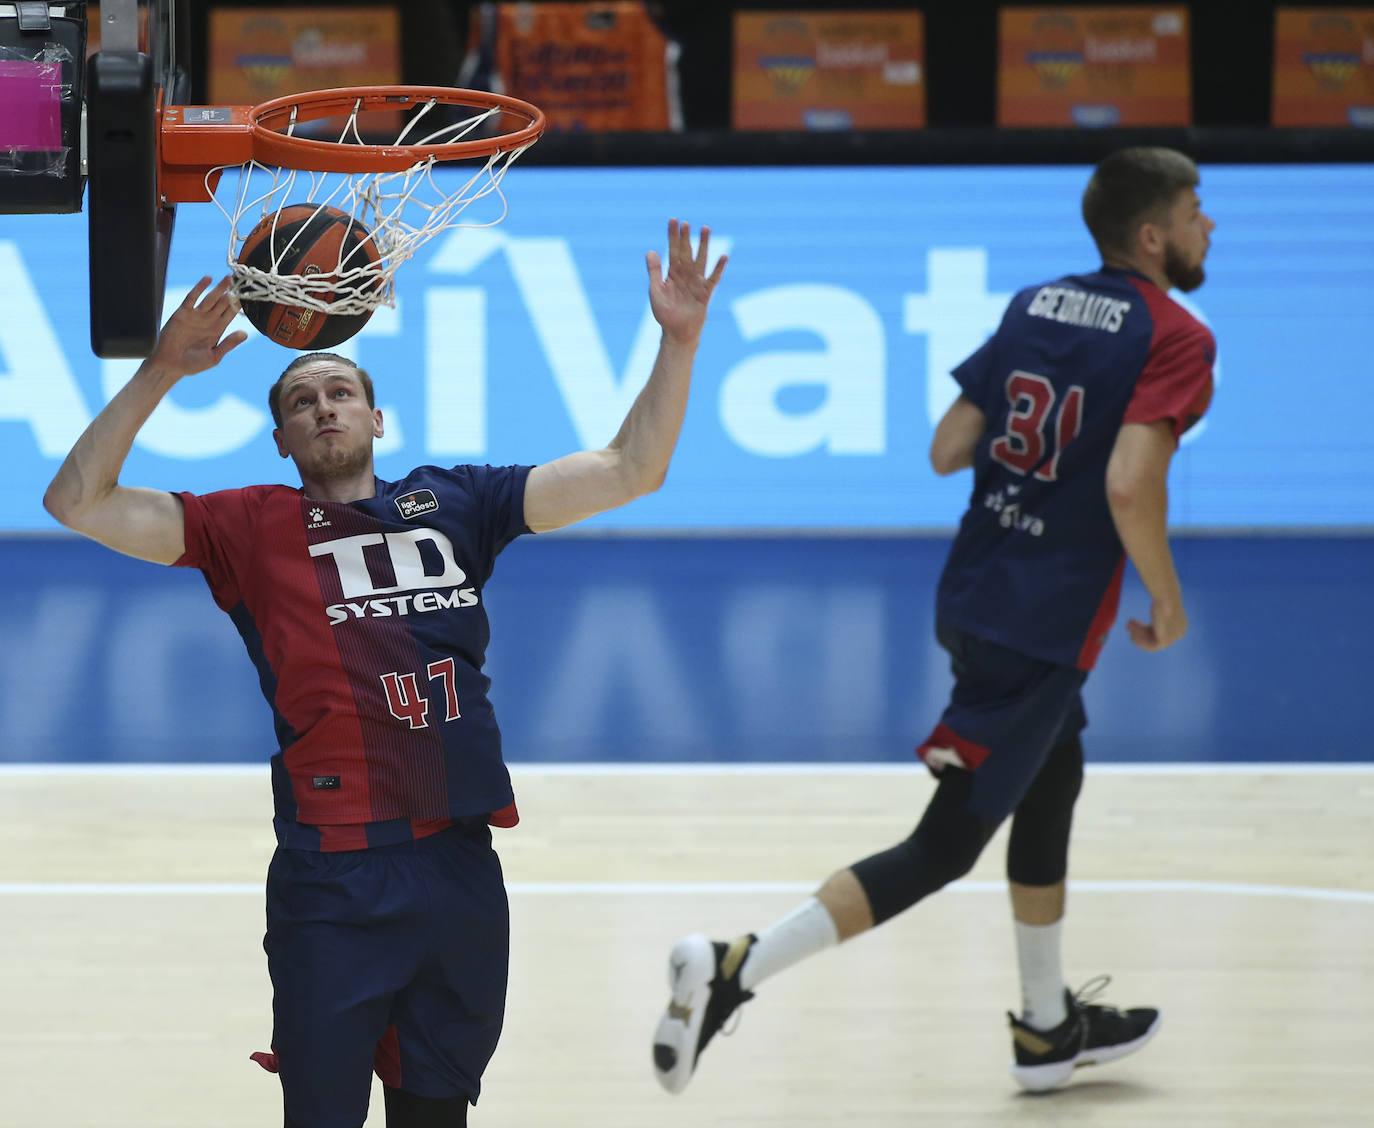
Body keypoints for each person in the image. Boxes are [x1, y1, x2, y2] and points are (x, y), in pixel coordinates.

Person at [44, 218, 725, 1128]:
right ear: (281, 439)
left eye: (340, 391)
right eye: (301, 401)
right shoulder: (245, 527)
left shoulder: (456, 502)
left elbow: (629, 468)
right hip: (334, 882)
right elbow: (75, 500)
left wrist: (678, 341)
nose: (323, 406)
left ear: (376, 418)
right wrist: (163, 369)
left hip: (459, 868)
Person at [652, 147, 1216, 1096]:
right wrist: (1165, 595)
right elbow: (1129, 482)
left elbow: (949, 447)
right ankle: (734, 967)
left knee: (1054, 777)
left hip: (975, 589)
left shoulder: (1034, 303)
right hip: (1044, 621)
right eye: (1199, 210)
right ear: (1153, 234)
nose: (1212, 227)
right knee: (944, 847)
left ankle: (1047, 1030)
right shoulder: (1177, 336)